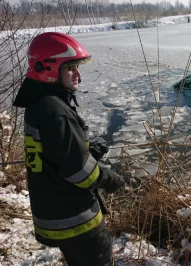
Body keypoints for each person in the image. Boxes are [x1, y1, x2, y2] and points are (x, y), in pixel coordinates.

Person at [12, 32, 127, 265]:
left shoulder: (38, 104)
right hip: (77, 220)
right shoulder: (56, 113)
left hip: (55, 212)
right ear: (49, 70)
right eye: (71, 68)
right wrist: (113, 180)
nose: (78, 74)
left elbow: (51, 154)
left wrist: (85, 150)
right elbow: (82, 174)